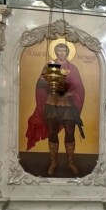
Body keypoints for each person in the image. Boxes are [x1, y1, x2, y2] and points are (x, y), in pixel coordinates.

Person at [25, 42, 86, 176]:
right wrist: (45, 81)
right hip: (51, 104)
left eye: (64, 50)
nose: (62, 53)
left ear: (68, 53)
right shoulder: (49, 66)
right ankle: (53, 162)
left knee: (70, 131)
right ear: (56, 52)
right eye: (59, 50)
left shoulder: (73, 68)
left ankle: (70, 162)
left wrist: (69, 93)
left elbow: (79, 87)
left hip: (67, 105)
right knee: (52, 132)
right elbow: (40, 85)